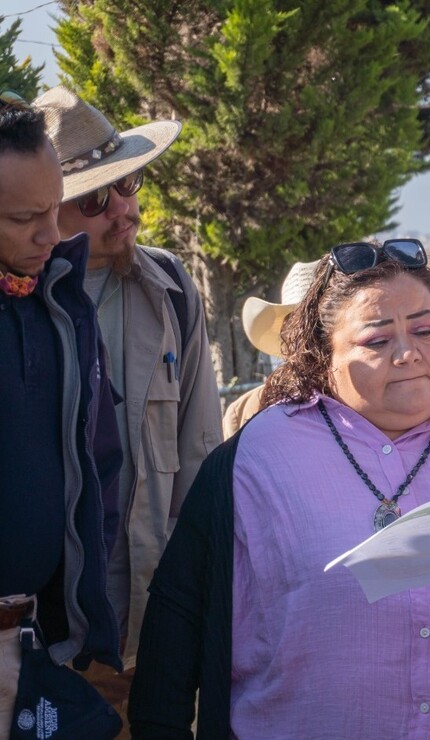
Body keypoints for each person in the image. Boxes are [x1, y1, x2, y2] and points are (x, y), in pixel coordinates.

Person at [127, 239, 430, 738]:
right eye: (377, 341)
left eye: (425, 330)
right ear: (322, 356)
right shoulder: (253, 459)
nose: (408, 353)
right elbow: (178, 612)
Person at [31, 86, 223, 729]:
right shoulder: (17, 307)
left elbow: (199, 458)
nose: (123, 209)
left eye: (130, 183)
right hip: (47, 647)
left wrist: (196, 605)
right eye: (93, 198)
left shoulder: (172, 293)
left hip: (154, 632)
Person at [0, 91, 122, 736]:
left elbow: (99, 463)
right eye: (26, 218)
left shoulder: (64, 303)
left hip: (42, 642)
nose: (53, 234)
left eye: (55, 209)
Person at [223, 259, 321, 437]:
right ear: (285, 332)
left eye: (321, 323)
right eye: (300, 324)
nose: (310, 335)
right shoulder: (245, 411)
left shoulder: (371, 400)